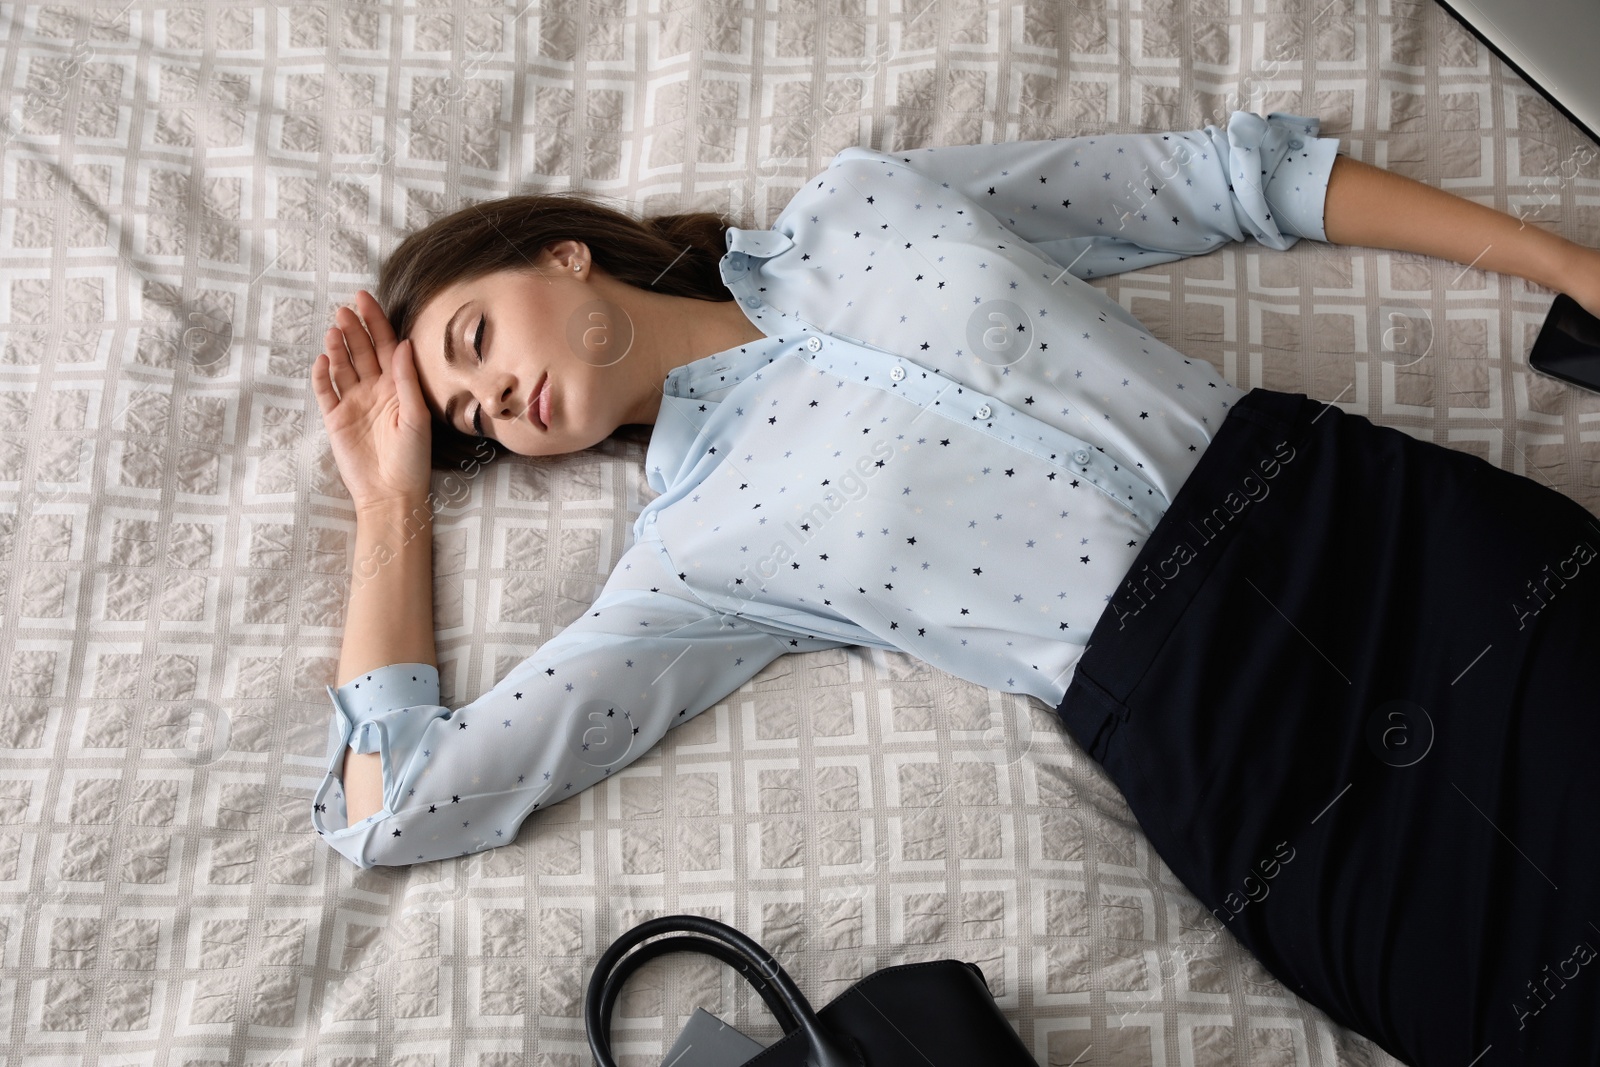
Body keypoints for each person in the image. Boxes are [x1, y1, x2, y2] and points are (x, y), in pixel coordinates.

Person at [311, 111, 1600, 1064]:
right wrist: (391, 500)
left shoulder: (868, 202)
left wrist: (1566, 264)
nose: (497, 401)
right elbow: (401, 802)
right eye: (475, 419)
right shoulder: (693, 556)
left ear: (562, 256)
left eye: (476, 342)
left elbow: (1225, 179)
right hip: (1244, 758)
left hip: (1375, 537)